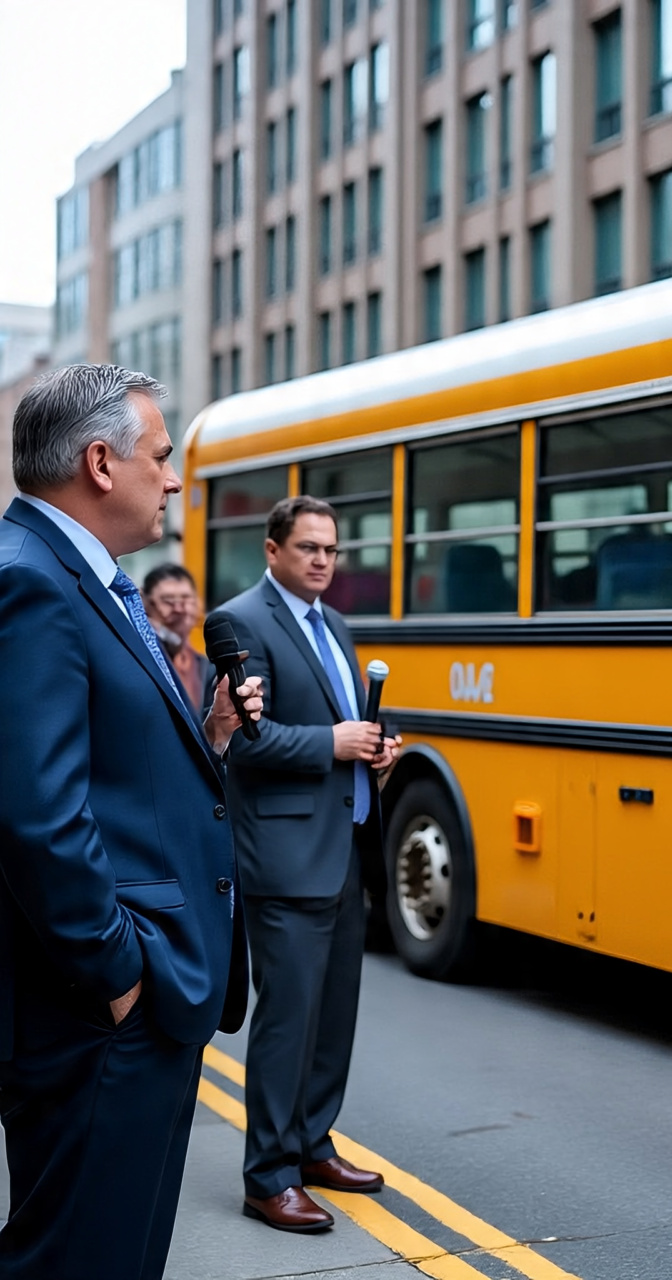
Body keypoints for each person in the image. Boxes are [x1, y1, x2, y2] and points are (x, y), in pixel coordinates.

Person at [0, 363, 262, 1279]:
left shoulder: (82, 573)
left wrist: (209, 739)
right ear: (101, 463)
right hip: (102, 1011)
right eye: (162, 455)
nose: (176, 477)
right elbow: (36, 811)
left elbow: (105, 767)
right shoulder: (33, 582)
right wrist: (118, 972)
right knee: (85, 1255)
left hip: (126, 1002)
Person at [208, 495, 400, 1232]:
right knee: (287, 1020)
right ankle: (268, 1176)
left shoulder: (335, 624)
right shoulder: (243, 623)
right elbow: (247, 741)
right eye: (308, 548)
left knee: (332, 1017)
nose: (323, 560)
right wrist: (334, 745)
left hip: (344, 844)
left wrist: (376, 748)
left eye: (331, 549)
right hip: (286, 857)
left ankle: (313, 1144)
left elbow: (346, 719)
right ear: (272, 549)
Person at [143, 562, 212, 712]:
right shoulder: (141, 661)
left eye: (186, 599)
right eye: (168, 600)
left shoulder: (205, 667)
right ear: (145, 603)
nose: (179, 609)